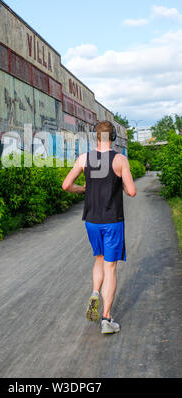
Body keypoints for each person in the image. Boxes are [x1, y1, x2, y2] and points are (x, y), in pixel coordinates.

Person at [62, 120, 136, 334]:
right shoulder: (120, 159)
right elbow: (131, 191)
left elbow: (66, 185)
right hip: (112, 220)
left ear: (96, 137)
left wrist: (83, 189)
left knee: (99, 259)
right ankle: (106, 319)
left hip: (92, 221)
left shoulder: (84, 159)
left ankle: (95, 292)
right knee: (111, 268)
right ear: (113, 138)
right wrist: (120, 178)